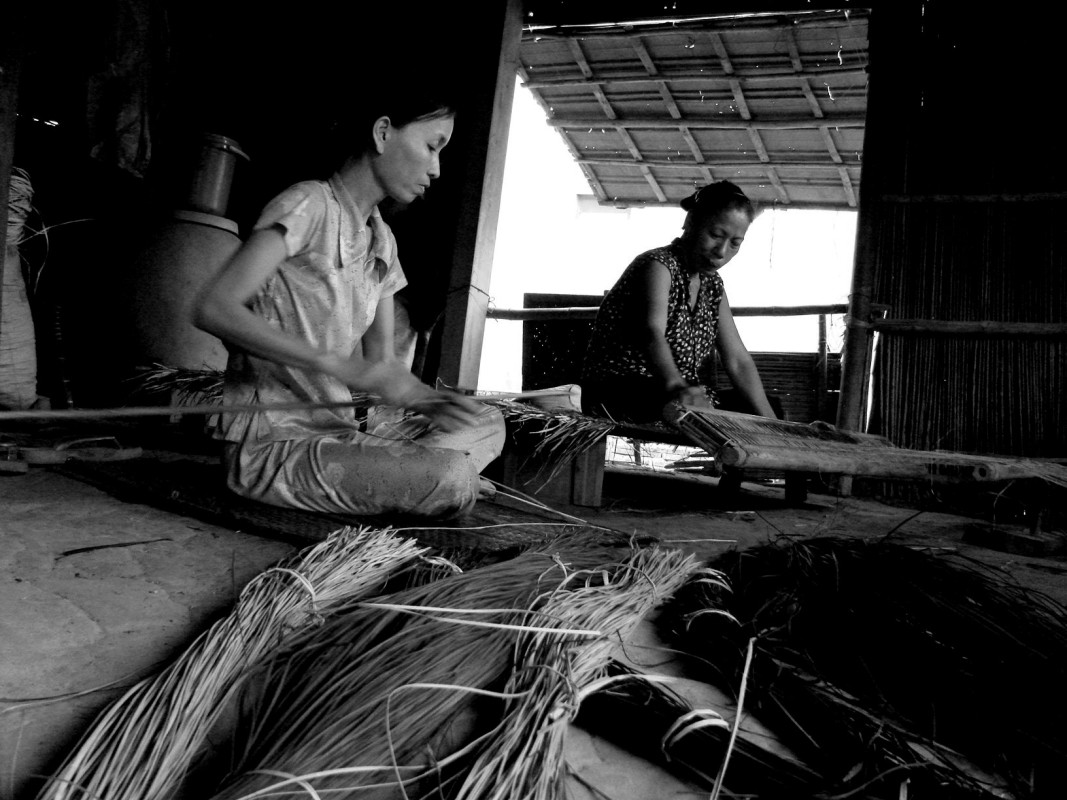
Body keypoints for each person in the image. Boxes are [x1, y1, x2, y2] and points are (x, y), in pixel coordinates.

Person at [193, 85, 505, 519]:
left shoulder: (382, 240)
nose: (436, 168)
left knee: (487, 422)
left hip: (339, 434)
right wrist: (340, 365)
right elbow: (215, 308)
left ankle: (415, 475)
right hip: (276, 446)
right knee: (451, 478)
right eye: (432, 146)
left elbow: (381, 364)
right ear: (382, 133)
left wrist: (424, 398)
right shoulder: (307, 204)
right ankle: (430, 477)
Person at [581, 180, 779, 425]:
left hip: (676, 394)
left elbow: (737, 359)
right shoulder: (657, 265)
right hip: (622, 391)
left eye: (735, 243)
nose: (722, 251)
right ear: (690, 223)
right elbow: (652, 333)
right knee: (680, 407)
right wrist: (678, 387)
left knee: (770, 409)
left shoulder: (712, 285)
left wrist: (774, 424)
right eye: (716, 235)